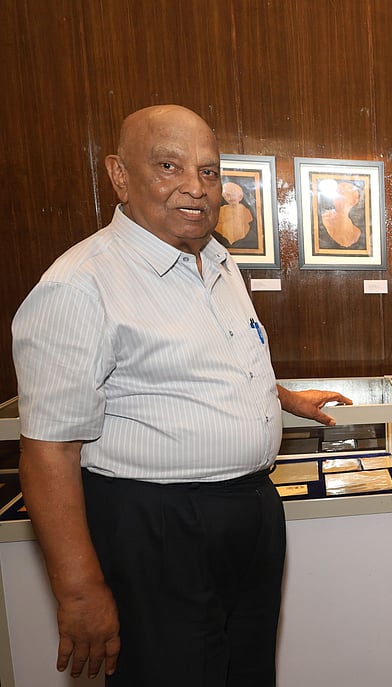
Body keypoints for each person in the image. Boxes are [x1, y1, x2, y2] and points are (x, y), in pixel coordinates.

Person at [11, 104, 352, 685]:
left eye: (209, 171)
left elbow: (201, 363)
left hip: (248, 515)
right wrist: (79, 590)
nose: (195, 189)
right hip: (159, 527)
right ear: (120, 175)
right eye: (169, 167)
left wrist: (280, 398)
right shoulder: (79, 285)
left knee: (246, 672)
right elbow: (49, 451)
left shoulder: (218, 261)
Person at [318, 180, 364, 249]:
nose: (336, 199)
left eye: (343, 194)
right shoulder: (324, 218)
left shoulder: (356, 232)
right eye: (338, 193)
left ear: (354, 201)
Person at [215, 181, 254, 246]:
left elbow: (248, 221)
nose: (231, 198)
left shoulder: (244, 210)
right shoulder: (222, 210)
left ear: (240, 197)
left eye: (233, 195)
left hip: (243, 239)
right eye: (227, 195)